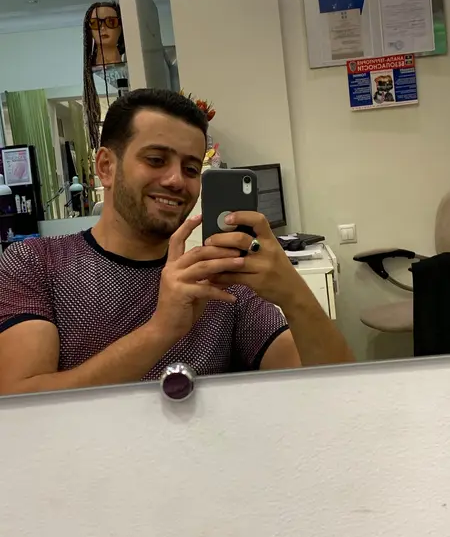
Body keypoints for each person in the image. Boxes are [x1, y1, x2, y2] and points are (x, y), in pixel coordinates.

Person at [0, 89, 353, 396]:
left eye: (191, 169)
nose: (175, 180)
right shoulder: (36, 263)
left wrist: (294, 295)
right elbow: (19, 406)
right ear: (106, 167)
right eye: (156, 160)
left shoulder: (219, 279)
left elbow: (335, 391)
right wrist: (161, 330)